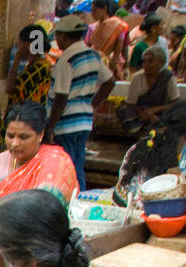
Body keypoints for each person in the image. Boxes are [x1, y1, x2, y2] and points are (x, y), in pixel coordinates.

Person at [0, 102, 79, 242]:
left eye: (23, 137)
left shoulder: (54, 161)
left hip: (31, 235)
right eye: (10, 136)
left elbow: (43, 216)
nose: (14, 143)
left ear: (40, 135)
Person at [47, 15, 116, 191]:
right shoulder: (92, 55)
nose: (57, 40)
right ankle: (80, 195)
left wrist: (49, 128)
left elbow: (61, 97)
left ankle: (76, 198)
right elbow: (109, 82)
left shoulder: (66, 60)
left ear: (64, 36)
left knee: (68, 167)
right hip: (84, 120)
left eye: (58, 36)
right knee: (77, 163)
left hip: (66, 123)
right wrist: (90, 104)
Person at [117, 45, 186, 139]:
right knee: (123, 111)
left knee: (180, 113)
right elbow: (130, 104)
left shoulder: (168, 77)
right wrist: (145, 114)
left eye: (150, 61)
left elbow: (175, 103)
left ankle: (157, 131)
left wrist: (153, 111)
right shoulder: (138, 78)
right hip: (141, 115)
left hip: (161, 114)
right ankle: (144, 134)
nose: (146, 65)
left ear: (161, 63)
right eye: (144, 62)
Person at [86, 0, 132, 77]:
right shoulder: (92, 27)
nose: (92, 14)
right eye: (92, 11)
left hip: (110, 64)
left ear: (104, 9)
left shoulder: (118, 25)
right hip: (93, 62)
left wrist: (125, 66)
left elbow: (121, 47)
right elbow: (87, 46)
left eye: (95, 10)